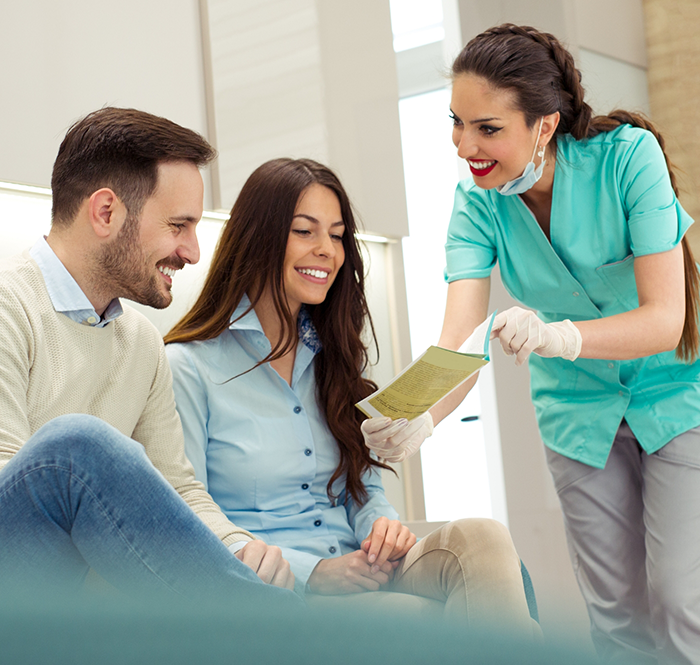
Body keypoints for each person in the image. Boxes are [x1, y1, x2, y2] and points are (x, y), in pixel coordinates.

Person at [362, 23, 700, 665]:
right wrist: (418, 419)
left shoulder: (629, 158)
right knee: (616, 614)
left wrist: (558, 334)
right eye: (456, 123)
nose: (465, 146)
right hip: (577, 415)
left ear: (544, 125)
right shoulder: (477, 204)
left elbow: (664, 319)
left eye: (487, 129)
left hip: (677, 391)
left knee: (684, 598)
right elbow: (457, 341)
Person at [163, 157, 537, 635]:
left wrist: (381, 527)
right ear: (259, 236)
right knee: (430, 624)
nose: (327, 251)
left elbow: (363, 490)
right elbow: (189, 520)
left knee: (484, 537)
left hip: (367, 570)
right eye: (305, 231)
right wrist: (314, 575)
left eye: (337, 236)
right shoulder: (188, 367)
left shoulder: (334, 356)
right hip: (277, 596)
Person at [0, 107, 297, 602]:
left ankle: (258, 615)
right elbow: (15, 482)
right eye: (179, 225)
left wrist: (237, 548)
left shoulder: (140, 342)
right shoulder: (8, 307)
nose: (193, 251)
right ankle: (275, 630)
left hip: (70, 599)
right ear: (106, 212)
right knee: (76, 446)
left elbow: (178, 487)